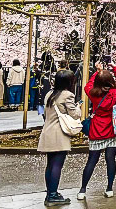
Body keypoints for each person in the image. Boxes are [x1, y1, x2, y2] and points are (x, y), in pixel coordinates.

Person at [77, 60, 116, 200]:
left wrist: (97, 72)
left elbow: (88, 85)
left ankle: (82, 190)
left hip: (97, 128)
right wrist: (115, 69)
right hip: (112, 128)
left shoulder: (92, 93)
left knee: (91, 160)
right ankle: (109, 188)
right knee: (111, 159)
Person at [37, 69, 81, 206]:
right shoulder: (67, 95)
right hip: (59, 134)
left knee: (50, 165)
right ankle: (53, 195)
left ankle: (50, 193)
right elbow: (75, 115)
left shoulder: (49, 94)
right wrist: (78, 106)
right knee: (57, 165)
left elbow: (45, 113)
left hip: (47, 132)